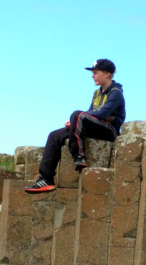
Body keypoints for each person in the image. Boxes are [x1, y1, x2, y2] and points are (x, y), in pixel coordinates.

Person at [25, 59, 125, 193]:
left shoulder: (116, 93)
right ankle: (46, 179)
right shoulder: (97, 93)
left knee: (77, 115)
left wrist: (77, 118)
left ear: (107, 74)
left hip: (109, 130)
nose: (92, 76)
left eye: (95, 72)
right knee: (54, 135)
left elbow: (102, 113)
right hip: (96, 126)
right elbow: (91, 113)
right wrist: (74, 122)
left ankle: (78, 156)